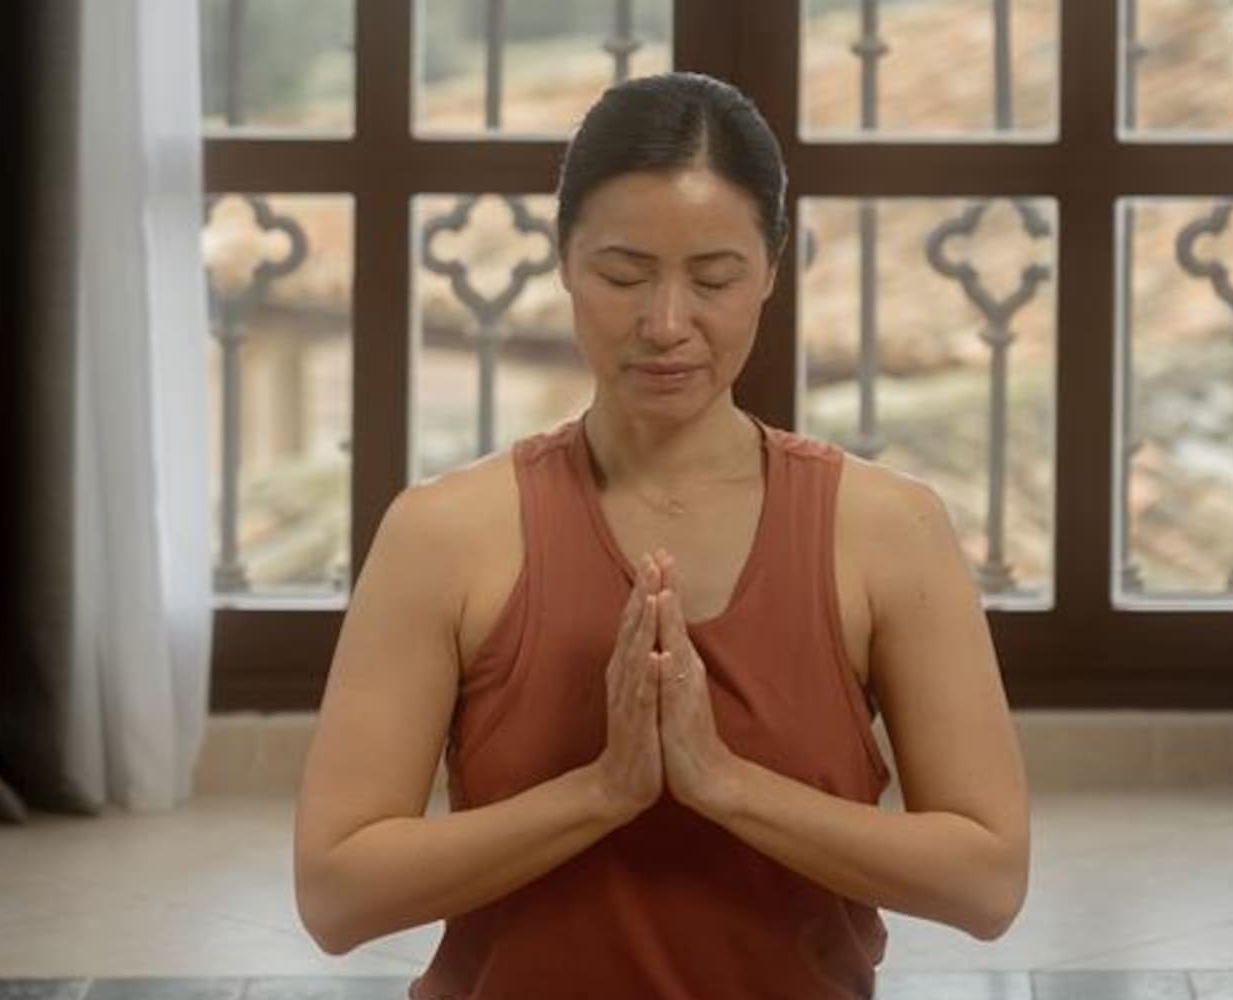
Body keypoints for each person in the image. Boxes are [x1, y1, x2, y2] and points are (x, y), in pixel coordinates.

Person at [293, 72, 1029, 1000]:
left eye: (714, 279)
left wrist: (723, 784)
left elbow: (988, 882)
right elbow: (335, 895)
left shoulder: (888, 531)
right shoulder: (443, 535)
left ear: (771, 266)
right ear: (562, 259)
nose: (667, 325)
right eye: (623, 275)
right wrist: (603, 791)